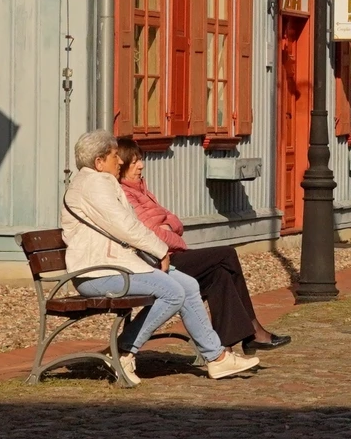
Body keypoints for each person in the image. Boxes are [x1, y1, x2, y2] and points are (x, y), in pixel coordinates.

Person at [59, 130, 258, 381]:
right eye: (113, 156)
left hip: (114, 267)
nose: (120, 161)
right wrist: (160, 249)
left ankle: (217, 358)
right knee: (173, 291)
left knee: (188, 284)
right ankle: (123, 351)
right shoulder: (94, 184)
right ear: (99, 162)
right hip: (98, 273)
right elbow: (126, 226)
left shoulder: (99, 183)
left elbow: (129, 225)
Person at [114, 144, 289, 354]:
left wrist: (168, 227)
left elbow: (175, 222)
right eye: (135, 162)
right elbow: (154, 235)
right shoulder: (126, 194)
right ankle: (252, 330)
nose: (141, 166)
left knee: (220, 275)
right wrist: (172, 235)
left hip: (169, 255)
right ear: (122, 164)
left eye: (140, 160)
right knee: (226, 254)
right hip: (156, 262)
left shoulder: (142, 189)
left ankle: (226, 347)